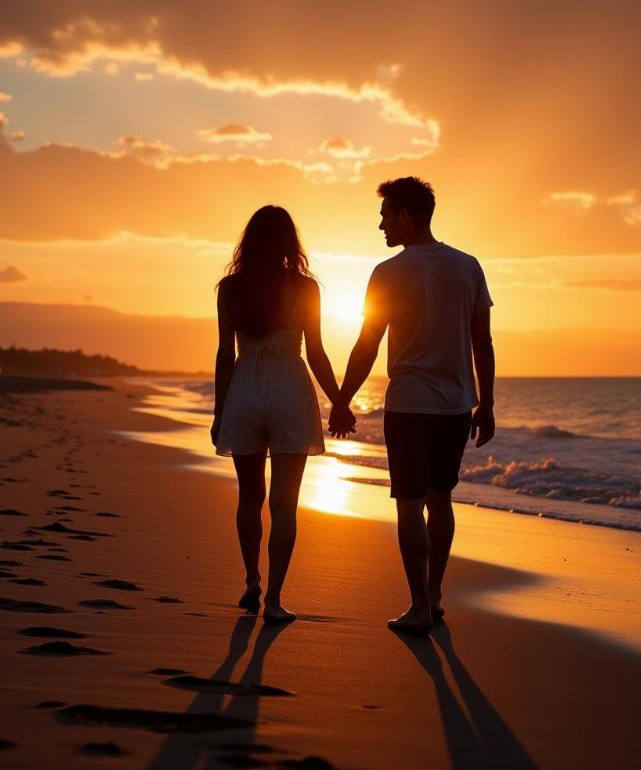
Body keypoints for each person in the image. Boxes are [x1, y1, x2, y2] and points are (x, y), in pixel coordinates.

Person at [330, 177, 495, 635]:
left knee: (409, 504)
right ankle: (435, 596)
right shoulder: (468, 266)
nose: (380, 225)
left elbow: (367, 344)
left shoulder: (390, 272)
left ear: (405, 215)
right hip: (456, 406)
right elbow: (482, 342)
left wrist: (343, 399)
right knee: (441, 499)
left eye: (385, 216)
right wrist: (488, 404)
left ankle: (419, 604)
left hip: (409, 406)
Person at [212, 205, 353, 625]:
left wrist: (221, 412)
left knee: (249, 497)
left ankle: (252, 580)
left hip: (245, 388)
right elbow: (317, 353)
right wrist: (339, 402)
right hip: (290, 387)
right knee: (285, 505)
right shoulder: (306, 289)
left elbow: (224, 355)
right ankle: (274, 600)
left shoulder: (230, 288)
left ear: (249, 241)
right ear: (290, 243)